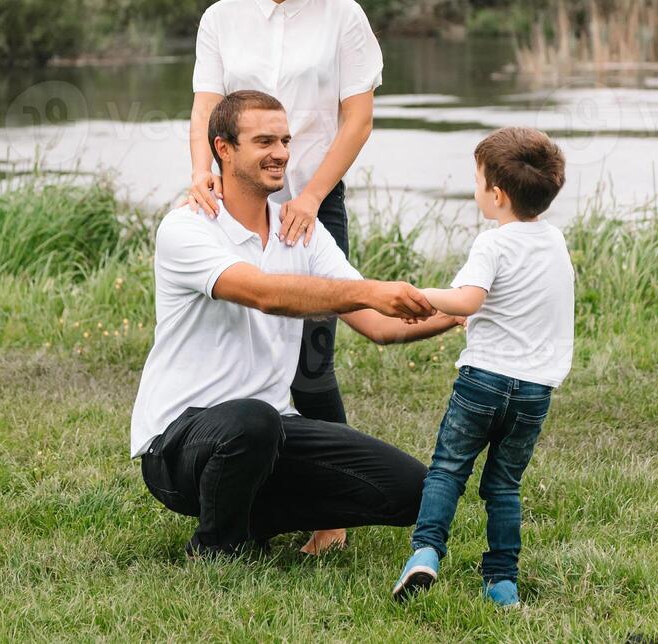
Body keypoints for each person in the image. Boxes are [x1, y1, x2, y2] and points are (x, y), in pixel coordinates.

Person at [136, 90, 464, 558]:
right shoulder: (186, 228)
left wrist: (458, 313)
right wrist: (370, 289)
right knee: (252, 420)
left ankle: (250, 520)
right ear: (223, 148)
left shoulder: (301, 229)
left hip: (271, 431)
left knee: (414, 490)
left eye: (286, 140)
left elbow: (379, 326)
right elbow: (265, 294)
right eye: (265, 141)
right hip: (179, 443)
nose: (282, 154)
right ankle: (217, 546)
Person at [186, 0, 383, 554]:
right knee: (234, 361)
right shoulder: (222, 19)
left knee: (310, 365)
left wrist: (311, 195)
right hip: (233, 202)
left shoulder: (343, 18)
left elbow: (357, 119)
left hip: (310, 203)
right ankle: (244, 492)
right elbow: (206, 108)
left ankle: (332, 514)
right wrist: (202, 176)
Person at [391, 127, 574, 609]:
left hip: (483, 381)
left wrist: (419, 295)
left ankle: (426, 551)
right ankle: (501, 582)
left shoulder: (493, 245)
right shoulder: (555, 242)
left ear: (495, 195)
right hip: (535, 390)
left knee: (448, 470)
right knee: (504, 485)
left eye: (476, 181)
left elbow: (467, 300)